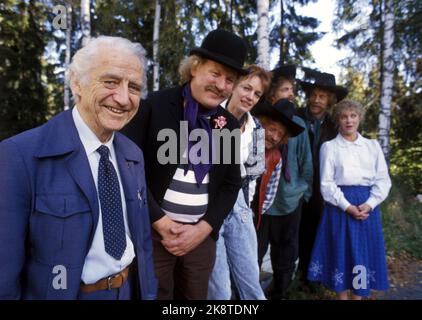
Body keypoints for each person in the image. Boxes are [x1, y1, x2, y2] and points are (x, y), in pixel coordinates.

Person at [0, 36, 157, 300]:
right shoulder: (19, 155)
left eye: (134, 87)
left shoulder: (133, 155)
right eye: (110, 82)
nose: (123, 98)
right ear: (77, 82)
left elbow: (142, 242)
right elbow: (4, 270)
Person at [122, 29, 247, 300]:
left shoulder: (227, 125)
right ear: (195, 67)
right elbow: (128, 168)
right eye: (215, 73)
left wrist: (204, 229)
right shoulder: (154, 106)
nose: (221, 85)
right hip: (153, 233)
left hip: (200, 239)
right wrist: (159, 220)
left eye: (230, 80)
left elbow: (230, 183)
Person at [307, 99, 391, 299]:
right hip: (340, 207)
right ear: (338, 120)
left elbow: (383, 180)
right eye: (344, 116)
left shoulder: (372, 146)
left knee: (361, 257)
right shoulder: (330, 147)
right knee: (342, 256)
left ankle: (358, 296)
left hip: (366, 207)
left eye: (353, 116)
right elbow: (326, 184)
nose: (349, 121)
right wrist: (347, 207)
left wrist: (369, 204)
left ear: (359, 118)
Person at [207, 65, 271, 300]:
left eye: (257, 94)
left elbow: (253, 177)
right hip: (210, 204)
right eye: (247, 88)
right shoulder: (210, 116)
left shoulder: (256, 129)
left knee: (251, 282)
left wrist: (246, 213)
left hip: (240, 205)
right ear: (233, 86)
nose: (250, 97)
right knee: (220, 290)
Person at [259, 65, 313, 299]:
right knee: (255, 252)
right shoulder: (261, 122)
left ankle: (280, 293)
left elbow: (306, 164)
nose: (291, 93)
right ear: (272, 94)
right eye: (285, 89)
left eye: (292, 89)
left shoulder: (298, 127)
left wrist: (304, 194)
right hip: (261, 204)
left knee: (286, 254)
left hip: (290, 201)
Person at [296, 69, 348, 281]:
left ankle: (309, 278)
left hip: (321, 188)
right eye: (314, 95)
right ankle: (286, 279)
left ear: (330, 101)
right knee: (291, 234)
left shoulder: (334, 126)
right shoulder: (295, 117)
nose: (316, 100)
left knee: (315, 232)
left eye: (322, 96)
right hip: (295, 184)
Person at [251, 99, 304, 300]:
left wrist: (251, 217)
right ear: (262, 124)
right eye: (271, 129)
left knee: (249, 262)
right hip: (222, 214)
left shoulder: (275, 158)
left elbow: (269, 195)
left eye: (279, 134)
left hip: (250, 218)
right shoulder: (242, 143)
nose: (274, 136)